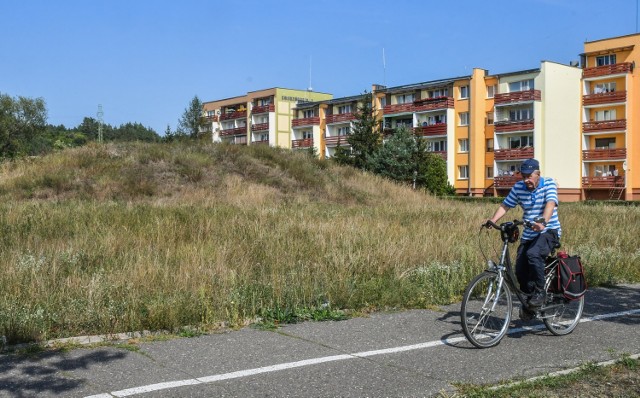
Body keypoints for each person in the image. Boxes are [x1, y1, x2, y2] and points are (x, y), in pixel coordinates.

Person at [485, 158, 561, 308]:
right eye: (524, 176)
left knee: (533, 254)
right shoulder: (519, 187)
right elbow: (506, 205)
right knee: (520, 270)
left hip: (549, 230)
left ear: (538, 174)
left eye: (529, 176)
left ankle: (540, 293)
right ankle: (531, 303)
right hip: (529, 234)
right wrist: (492, 220)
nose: (526, 180)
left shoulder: (549, 184)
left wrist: (543, 222)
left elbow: (550, 204)